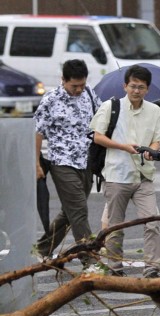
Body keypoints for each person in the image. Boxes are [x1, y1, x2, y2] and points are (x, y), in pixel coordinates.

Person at [90, 64, 160, 278]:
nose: (136, 91)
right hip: (117, 174)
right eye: (133, 86)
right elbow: (97, 136)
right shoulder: (110, 107)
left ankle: (152, 268)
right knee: (116, 225)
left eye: (141, 87)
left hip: (144, 175)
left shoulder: (154, 111)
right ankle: (115, 267)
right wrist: (123, 146)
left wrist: (152, 151)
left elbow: (157, 139)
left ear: (148, 89)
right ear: (125, 86)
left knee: (151, 222)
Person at [34, 59, 101, 267]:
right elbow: (37, 131)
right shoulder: (51, 100)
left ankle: (42, 248)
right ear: (63, 80)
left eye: (81, 85)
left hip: (87, 161)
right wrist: (35, 162)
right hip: (61, 162)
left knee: (70, 211)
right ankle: (90, 259)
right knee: (79, 210)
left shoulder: (89, 94)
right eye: (74, 86)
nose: (78, 90)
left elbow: (102, 119)